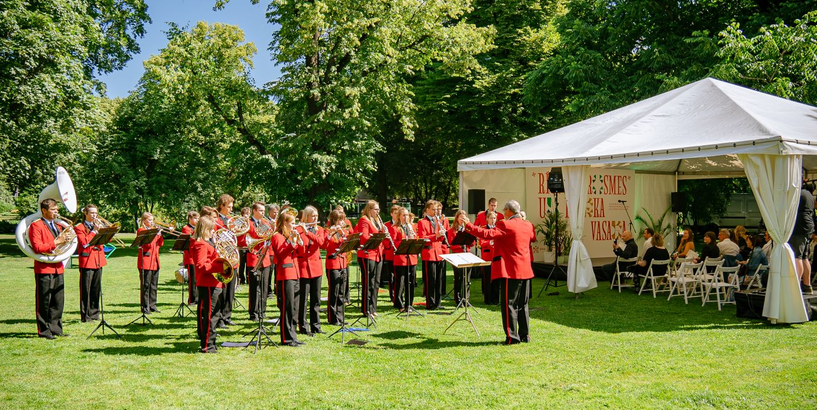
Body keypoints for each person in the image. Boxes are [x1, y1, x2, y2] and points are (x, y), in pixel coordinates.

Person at [461, 200, 536, 344]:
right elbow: (532, 237)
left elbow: (486, 234)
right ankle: (525, 335)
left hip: (510, 270)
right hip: (526, 269)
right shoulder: (528, 225)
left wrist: (469, 225)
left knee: (509, 304)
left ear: (508, 211)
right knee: (523, 304)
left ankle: (512, 337)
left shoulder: (505, 224)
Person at [29, 199, 70, 339]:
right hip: (44, 267)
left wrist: (65, 240)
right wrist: (57, 242)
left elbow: (61, 245)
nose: (56, 212)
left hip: (58, 266)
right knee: (44, 301)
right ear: (44, 210)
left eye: (57, 209)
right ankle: (44, 330)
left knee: (58, 300)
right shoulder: (36, 225)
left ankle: (56, 328)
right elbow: (37, 247)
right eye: (53, 210)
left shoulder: (57, 225)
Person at [189, 215, 226, 353]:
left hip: (214, 282)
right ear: (205, 229)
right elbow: (201, 265)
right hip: (208, 283)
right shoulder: (200, 244)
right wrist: (221, 267)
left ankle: (211, 342)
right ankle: (207, 345)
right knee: (210, 315)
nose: (213, 232)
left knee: (215, 314)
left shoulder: (207, 242)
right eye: (211, 229)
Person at [271, 210, 304, 346]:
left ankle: (293, 336)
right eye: (292, 223)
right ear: (284, 223)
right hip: (285, 275)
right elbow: (281, 253)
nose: (294, 226)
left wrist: (299, 241)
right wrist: (292, 242)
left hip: (295, 273)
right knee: (288, 307)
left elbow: (301, 252)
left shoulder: (289, 236)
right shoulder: (277, 236)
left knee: (295, 307)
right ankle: (286, 338)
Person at [74, 204, 106, 323]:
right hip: (87, 261)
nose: (94, 215)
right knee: (86, 289)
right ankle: (86, 315)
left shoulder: (97, 225)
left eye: (96, 213)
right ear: (85, 213)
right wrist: (94, 231)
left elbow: (106, 240)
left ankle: (95, 313)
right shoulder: (79, 227)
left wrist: (105, 231)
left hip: (98, 260)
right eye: (92, 213)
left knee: (96, 289)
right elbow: (84, 243)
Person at [296, 206, 325, 335]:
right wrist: (301, 231)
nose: (315, 218)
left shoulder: (319, 230)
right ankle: (303, 326)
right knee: (303, 299)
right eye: (312, 216)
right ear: (306, 217)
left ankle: (316, 326)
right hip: (303, 267)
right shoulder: (298, 230)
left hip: (316, 267)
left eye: (316, 216)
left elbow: (321, 242)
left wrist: (308, 233)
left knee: (316, 299)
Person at [355, 200, 385, 317]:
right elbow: (364, 237)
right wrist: (378, 236)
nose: (378, 211)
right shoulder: (364, 220)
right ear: (369, 209)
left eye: (378, 209)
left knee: (376, 282)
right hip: (367, 255)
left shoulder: (377, 221)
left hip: (378, 254)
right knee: (369, 282)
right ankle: (366, 309)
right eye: (375, 209)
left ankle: (373, 308)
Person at [417, 200, 446, 309]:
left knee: (439, 279)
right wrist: (436, 235)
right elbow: (422, 238)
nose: (435, 211)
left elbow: (440, 238)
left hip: (438, 253)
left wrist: (442, 235)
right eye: (433, 209)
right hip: (429, 253)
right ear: (427, 209)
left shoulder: (437, 221)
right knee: (431, 279)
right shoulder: (422, 222)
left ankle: (438, 303)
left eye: (436, 209)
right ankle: (430, 303)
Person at [246, 202, 272, 322]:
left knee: (264, 286)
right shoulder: (248, 223)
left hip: (265, 258)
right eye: (260, 211)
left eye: (263, 210)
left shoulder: (266, 223)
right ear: (254, 211)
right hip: (253, 258)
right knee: (254, 287)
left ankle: (262, 311)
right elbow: (245, 239)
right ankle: (253, 312)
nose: (263, 213)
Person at [322, 210, 349, 325]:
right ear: (335, 220)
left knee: (342, 292)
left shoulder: (343, 231)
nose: (343, 222)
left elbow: (347, 243)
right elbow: (325, 246)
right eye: (340, 219)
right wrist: (331, 233)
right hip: (333, 264)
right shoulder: (327, 231)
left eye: (343, 219)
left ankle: (340, 317)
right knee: (334, 291)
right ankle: (332, 318)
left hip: (343, 263)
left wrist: (342, 234)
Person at [137, 212, 167, 315]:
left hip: (155, 261)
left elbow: (161, 243)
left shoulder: (153, 231)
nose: (152, 222)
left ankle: (152, 305)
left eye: (152, 220)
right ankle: (145, 307)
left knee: (154, 285)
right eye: (149, 220)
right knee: (146, 285)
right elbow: (148, 245)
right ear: (144, 220)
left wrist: (160, 235)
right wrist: (156, 234)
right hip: (145, 261)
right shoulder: (141, 230)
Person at [789, 173, 814, 294]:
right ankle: (807, 285)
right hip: (808, 226)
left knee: (797, 256)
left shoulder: (798, 194)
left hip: (799, 227)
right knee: (804, 257)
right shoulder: (809, 194)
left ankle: (796, 285)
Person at [214, 194, 236, 327]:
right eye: (229, 207)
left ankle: (227, 315)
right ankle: (219, 318)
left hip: (232, 258)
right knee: (222, 290)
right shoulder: (216, 220)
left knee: (231, 290)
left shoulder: (230, 220)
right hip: (222, 258)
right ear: (222, 206)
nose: (231, 209)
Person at [392, 207, 418, 311]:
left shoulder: (411, 227)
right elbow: (394, 242)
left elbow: (417, 239)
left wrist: (415, 237)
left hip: (412, 258)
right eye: (403, 215)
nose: (405, 217)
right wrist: (405, 240)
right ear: (399, 216)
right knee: (400, 282)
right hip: (401, 259)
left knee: (411, 282)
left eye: (407, 215)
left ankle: (409, 304)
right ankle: (399, 304)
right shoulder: (395, 228)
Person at [447, 209, 472, 304]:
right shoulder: (452, 230)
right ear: (457, 218)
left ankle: (466, 299)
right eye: (461, 217)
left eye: (464, 217)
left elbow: (472, 243)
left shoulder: (468, 229)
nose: (462, 219)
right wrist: (460, 246)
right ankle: (458, 298)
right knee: (458, 278)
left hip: (467, 255)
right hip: (456, 255)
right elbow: (451, 244)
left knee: (467, 279)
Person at [479, 211, 499, 304]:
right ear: (487, 219)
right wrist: (490, 242)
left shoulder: (497, 229)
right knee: (487, 278)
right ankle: (488, 299)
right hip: (487, 257)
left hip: (496, 256)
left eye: (494, 218)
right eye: (491, 218)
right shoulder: (483, 229)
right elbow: (482, 243)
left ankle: (495, 299)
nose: (493, 220)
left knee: (496, 279)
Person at [181, 211, 200, 305]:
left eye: (198, 218)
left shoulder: (197, 228)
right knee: (192, 280)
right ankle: (192, 299)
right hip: (190, 257)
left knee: (197, 278)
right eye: (195, 218)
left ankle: (197, 298)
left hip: (197, 256)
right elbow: (190, 240)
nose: (197, 220)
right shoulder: (186, 228)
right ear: (190, 219)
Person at [383, 204, 401, 302]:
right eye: (395, 213)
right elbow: (384, 239)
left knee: (400, 276)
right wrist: (389, 245)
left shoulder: (401, 225)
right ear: (391, 214)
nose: (396, 215)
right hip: (390, 253)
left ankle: (399, 294)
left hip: (400, 253)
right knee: (391, 276)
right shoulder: (386, 225)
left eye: (398, 213)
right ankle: (392, 295)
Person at [237, 206, 251, 285]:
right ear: (242, 214)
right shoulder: (239, 222)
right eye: (245, 213)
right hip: (241, 246)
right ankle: (241, 279)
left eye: (248, 213)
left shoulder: (250, 222)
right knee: (241, 264)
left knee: (249, 264)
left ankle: (248, 279)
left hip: (249, 245)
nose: (247, 215)